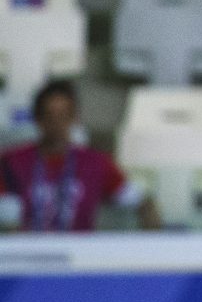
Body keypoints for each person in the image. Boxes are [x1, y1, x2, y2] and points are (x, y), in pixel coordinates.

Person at [1, 81, 159, 232]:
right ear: (37, 118)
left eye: (64, 116)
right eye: (49, 116)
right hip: (28, 248)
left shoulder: (95, 163)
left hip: (80, 249)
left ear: (74, 118)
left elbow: (141, 201)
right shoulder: (12, 162)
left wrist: (153, 238)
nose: (57, 124)